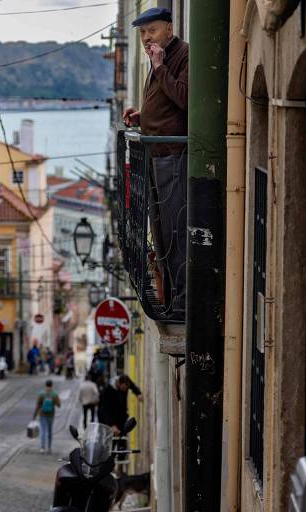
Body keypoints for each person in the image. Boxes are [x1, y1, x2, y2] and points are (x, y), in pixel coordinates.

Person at [123, 7, 189, 318]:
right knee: (161, 232)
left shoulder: (184, 55)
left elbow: (185, 99)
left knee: (175, 230)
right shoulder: (157, 59)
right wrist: (141, 117)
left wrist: (160, 68)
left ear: (169, 28)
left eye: (151, 30)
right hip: (156, 156)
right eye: (142, 33)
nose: (147, 38)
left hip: (173, 157)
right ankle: (172, 295)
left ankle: (182, 300)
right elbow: (164, 106)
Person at [32, 379, 61, 454]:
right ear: (52, 385)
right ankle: (49, 448)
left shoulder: (42, 394)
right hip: (51, 415)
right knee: (50, 431)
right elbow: (59, 405)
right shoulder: (54, 394)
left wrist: (34, 415)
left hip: (42, 414)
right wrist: (54, 401)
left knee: (43, 432)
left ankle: (42, 447)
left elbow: (38, 405)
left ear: (45, 385)